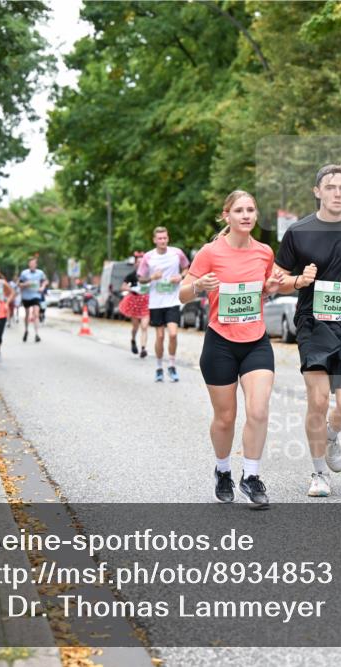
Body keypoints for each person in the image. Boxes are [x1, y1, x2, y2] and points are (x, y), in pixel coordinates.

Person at [273, 163, 341, 497]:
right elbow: (275, 281)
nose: (338, 193)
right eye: (331, 187)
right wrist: (299, 281)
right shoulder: (299, 232)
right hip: (313, 326)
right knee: (319, 399)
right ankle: (318, 473)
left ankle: (332, 434)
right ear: (317, 191)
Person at [179, 191, 282, 508]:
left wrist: (275, 287)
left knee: (259, 410)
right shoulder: (210, 253)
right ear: (227, 216)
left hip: (256, 341)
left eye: (251, 209)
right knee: (225, 417)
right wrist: (199, 286)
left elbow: (269, 285)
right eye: (239, 210)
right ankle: (223, 470)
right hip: (220, 343)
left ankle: (250, 477)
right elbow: (182, 294)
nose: (246, 215)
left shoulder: (264, 252)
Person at [139, 227, 190, 382]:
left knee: (173, 333)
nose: (162, 241)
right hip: (156, 302)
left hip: (173, 300)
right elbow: (140, 278)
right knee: (160, 336)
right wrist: (151, 277)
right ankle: (159, 367)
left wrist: (180, 276)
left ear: (168, 238)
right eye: (159, 238)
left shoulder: (177, 253)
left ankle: (172, 365)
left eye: (165, 238)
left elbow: (187, 268)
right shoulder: (148, 257)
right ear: (154, 240)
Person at [119, 251, 150, 357]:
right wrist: (131, 288)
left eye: (143, 262)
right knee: (135, 326)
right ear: (135, 264)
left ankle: (143, 348)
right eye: (138, 262)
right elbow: (123, 286)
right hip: (135, 303)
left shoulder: (148, 274)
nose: (140, 264)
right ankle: (133, 340)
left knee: (144, 326)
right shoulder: (131, 276)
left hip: (146, 302)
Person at [19, 257, 47, 342]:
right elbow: (19, 284)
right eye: (30, 263)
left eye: (34, 263)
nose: (32, 265)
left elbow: (45, 281)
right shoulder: (24, 273)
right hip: (26, 296)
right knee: (27, 314)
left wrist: (42, 287)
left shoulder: (40, 273)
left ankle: (36, 334)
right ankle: (26, 330)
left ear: (36, 264)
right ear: (29, 264)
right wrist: (25, 284)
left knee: (36, 313)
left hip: (36, 295)